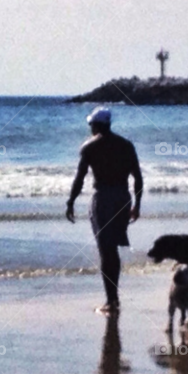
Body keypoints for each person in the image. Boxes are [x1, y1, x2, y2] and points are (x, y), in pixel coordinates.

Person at [66, 107, 143, 315]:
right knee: (113, 250)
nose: (91, 128)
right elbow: (138, 177)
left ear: (97, 125)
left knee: (105, 250)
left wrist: (71, 202)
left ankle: (111, 300)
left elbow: (80, 178)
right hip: (122, 198)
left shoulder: (90, 147)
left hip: (103, 199)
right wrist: (137, 205)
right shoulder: (126, 145)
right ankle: (114, 298)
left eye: (92, 124)